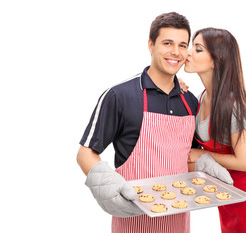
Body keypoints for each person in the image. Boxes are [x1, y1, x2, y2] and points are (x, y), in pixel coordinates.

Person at [76, 13, 232, 233]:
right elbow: (86, 152)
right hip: (133, 221)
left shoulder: (190, 101)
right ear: (150, 45)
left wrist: (203, 166)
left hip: (178, 223)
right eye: (167, 43)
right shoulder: (120, 96)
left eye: (182, 45)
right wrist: (106, 185)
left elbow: (187, 157)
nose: (175, 52)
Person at [184, 27, 246, 233]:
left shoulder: (232, 105)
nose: (188, 52)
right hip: (228, 191)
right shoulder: (202, 97)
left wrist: (204, 154)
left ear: (215, 60)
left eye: (198, 49)